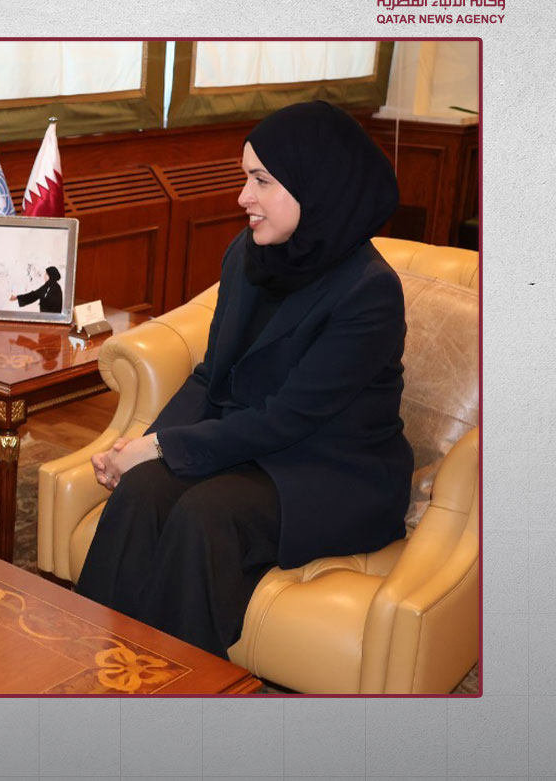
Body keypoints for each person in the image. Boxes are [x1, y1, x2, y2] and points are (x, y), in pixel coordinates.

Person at [75, 100, 412, 659]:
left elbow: (287, 420)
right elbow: (212, 375)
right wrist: (141, 447)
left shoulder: (369, 292)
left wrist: (162, 447)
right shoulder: (248, 256)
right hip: (254, 450)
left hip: (332, 471)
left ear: (315, 184)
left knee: (207, 515)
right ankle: (92, 661)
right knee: (143, 489)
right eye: (245, 178)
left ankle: (178, 687)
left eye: (261, 180)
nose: (242, 197)